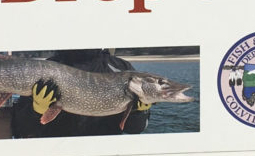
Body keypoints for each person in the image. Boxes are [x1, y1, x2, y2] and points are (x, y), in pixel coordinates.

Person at [10, 48, 150, 138]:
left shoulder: (121, 69)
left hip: (104, 155)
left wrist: (138, 112)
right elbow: (22, 129)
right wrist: (37, 110)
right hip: (58, 154)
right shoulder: (46, 69)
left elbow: (135, 129)